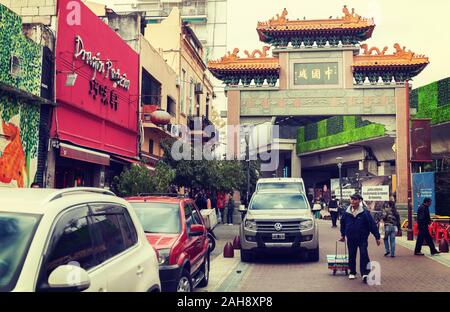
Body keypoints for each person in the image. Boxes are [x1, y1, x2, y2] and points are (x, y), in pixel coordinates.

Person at [340, 193, 381, 283]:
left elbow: (372, 225)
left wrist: (377, 237)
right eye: (351, 199)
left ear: (359, 201)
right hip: (350, 238)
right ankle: (352, 272)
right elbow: (342, 224)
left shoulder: (365, 213)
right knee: (351, 254)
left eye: (355, 199)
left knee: (364, 254)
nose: (353, 201)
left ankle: (365, 273)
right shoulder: (346, 213)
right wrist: (342, 235)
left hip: (362, 238)